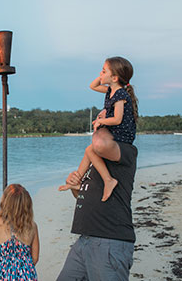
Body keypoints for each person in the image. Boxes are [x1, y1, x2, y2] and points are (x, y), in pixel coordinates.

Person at [57, 129, 138, 280]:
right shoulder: (95, 159)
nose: (96, 122)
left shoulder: (126, 151)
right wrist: (74, 185)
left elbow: (100, 144)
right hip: (85, 240)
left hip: (109, 241)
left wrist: (103, 126)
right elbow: (82, 194)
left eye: (101, 117)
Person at [59, 56, 138, 202]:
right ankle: (76, 182)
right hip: (114, 134)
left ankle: (108, 180)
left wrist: (100, 121)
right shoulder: (110, 91)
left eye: (103, 71)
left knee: (91, 150)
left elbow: (117, 119)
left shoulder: (120, 94)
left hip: (122, 137)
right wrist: (104, 75)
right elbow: (92, 86)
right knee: (89, 150)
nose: (100, 74)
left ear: (114, 77)